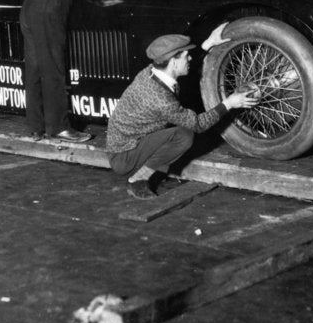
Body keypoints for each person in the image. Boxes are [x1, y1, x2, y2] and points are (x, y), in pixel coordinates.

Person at [106, 31, 260, 199]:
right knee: (184, 136)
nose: (190, 59)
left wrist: (208, 45)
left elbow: (181, 70)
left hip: (130, 140)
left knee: (180, 121)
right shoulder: (159, 99)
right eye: (186, 56)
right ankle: (137, 179)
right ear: (173, 61)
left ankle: (147, 165)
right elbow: (198, 124)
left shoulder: (152, 71)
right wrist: (229, 103)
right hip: (124, 156)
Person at [19, 0, 121, 142]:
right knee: (54, 68)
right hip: (48, 12)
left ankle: (36, 128)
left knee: (34, 69)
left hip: (30, 9)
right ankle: (59, 127)